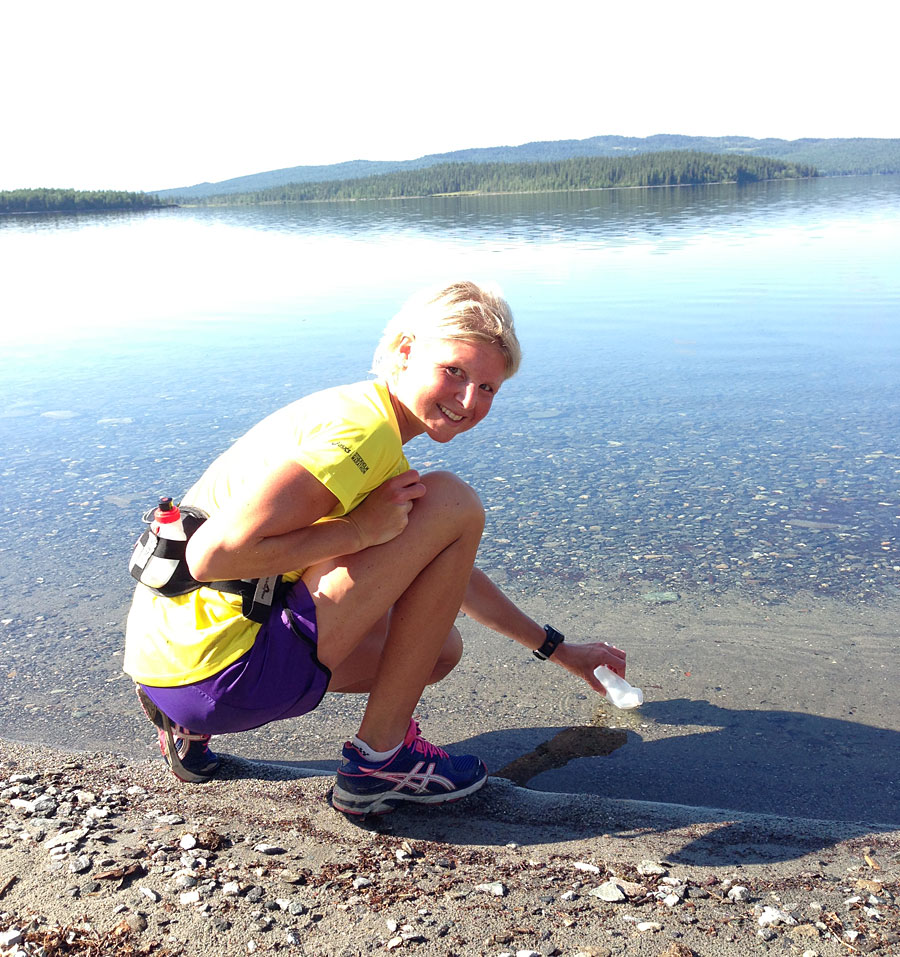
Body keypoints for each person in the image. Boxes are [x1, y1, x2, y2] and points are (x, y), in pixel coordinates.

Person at [124, 281, 627, 816]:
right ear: (406, 351)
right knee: (453, 500)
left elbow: (450, 577)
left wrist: (558, 650)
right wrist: (359, 533)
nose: (468, 401)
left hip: (167, 672)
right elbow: (211, 557)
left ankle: (186, 729)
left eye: (487, 387)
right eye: (454, 371)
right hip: (226, 679)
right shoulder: (363, 436)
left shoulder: (353, 412)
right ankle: (380, 760)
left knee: (440, 649)